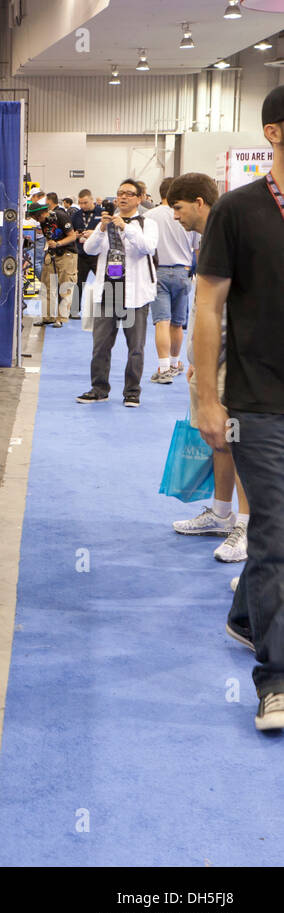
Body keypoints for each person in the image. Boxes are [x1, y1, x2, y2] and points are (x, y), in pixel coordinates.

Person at [194, 84, 284, 731]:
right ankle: (276, 680)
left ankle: (246, 617)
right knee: (277, 534)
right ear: (275, 133)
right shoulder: (237, 211)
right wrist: (205, 394)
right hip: (258, 400)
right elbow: (207, 305)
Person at [167, 172, 248, 564]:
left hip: (239, 358)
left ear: (199, 202)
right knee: (218, 437)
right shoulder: (208, 236)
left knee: (240, 438)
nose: (176, 216)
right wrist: (200, 360)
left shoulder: (228, 230)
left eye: (179, 208)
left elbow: (223, 310)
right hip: (215, 356)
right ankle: (220, 513)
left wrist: (209, 358)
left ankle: (247, 526)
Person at [77, 178, 158, 406]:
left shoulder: (147, 223)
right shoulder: (105, 223)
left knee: (136, 347)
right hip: (109, 292)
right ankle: (99, 388)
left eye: (129, 194)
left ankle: (132, 391)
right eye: (120, 193)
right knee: (100, 345)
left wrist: (126, 227)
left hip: (136, 294)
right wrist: (102, 229)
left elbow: (147, 247)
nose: (122, 197)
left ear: (140, 198)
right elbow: (88, 249)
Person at [145, 176, 198, 387]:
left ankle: (164, 367)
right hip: (184, 273)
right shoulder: (188, 216)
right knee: (177, 323)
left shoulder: (149, 217)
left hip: (159, 272)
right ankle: (176, 363)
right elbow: (197, 250)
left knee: (162, 322)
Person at [33, 196, 77, 327]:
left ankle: (61, 318)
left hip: (67, 254)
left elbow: (72, 236)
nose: (37, 221)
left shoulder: (61, 216)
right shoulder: (43, 221)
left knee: (65, 286)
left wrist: (58, 244)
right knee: (46, 286)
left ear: (42, 213)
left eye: (37, 218)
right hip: (52, 254)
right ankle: (47, 317)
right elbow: (48, 237)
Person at [69, 189, 103, 321]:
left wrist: (93, 233)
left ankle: (108, 309)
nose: (83, 205)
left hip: (98, 255)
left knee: (104, 280)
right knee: (78, 283)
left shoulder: (102, 214)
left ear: (92, 199)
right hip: (81, 254)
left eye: (85, 202)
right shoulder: (76, 215)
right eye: (80, 203)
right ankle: (74, 311)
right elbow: (70, 232)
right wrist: (76, 235)